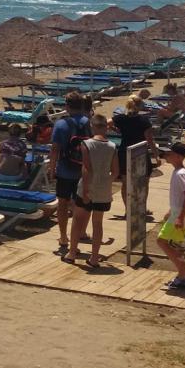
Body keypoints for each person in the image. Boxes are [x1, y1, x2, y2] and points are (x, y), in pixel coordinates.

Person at [66, 113, 118, 267]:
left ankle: (72, 252)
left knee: (77, 219)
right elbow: (115, 172)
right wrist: (106, 182)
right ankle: (94, 258)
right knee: (97, 223)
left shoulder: (87, 144)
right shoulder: (112, 146)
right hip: (103, 189)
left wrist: (87, 190)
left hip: (87, 187)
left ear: (92, 126)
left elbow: (86, 168)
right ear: (105, 127)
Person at [48, 91, 91, 256]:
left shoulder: (61, 124)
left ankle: (64, 237)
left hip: (65, 170)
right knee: (81, 204)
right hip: (83, 171)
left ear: (67, 106)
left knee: (63, 203)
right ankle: (80, 233)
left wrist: (52, 168)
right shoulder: (88, 122)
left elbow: (55, 149)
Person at [155, 142, 185, 292]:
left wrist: (179, 217)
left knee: (162, 241)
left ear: (178, 156)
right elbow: (179, 197)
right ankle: (182, 276)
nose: (166, 156)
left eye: (169, 154)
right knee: (176, 248)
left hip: (180, 216)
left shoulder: (180, 174)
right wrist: (171, 211)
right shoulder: (180, 171)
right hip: (178, 214)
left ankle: (184, 274)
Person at [110, 95, 158, 207]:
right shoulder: (144, 120)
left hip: (124, 152)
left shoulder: (121, 118)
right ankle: (141, 207)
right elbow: (149, 139)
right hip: (140, 152)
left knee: (126, 183)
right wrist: (156, 155)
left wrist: (117, 130)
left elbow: (106, 123)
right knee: (144, 182)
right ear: (140, 105)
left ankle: (128, 210)